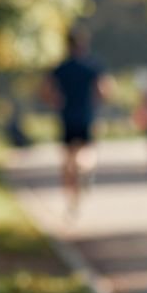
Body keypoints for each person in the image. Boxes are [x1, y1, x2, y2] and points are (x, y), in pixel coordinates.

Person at [41, 29, 110, 216]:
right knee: (86, 153)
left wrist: (57, 102)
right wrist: (94, 103)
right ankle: (84, 170)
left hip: (66, 117)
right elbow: (104, 91)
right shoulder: (93, 67)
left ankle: (72, 201)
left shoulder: (60, 68)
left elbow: (46, 92)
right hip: (86, 117)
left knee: (67, 161)